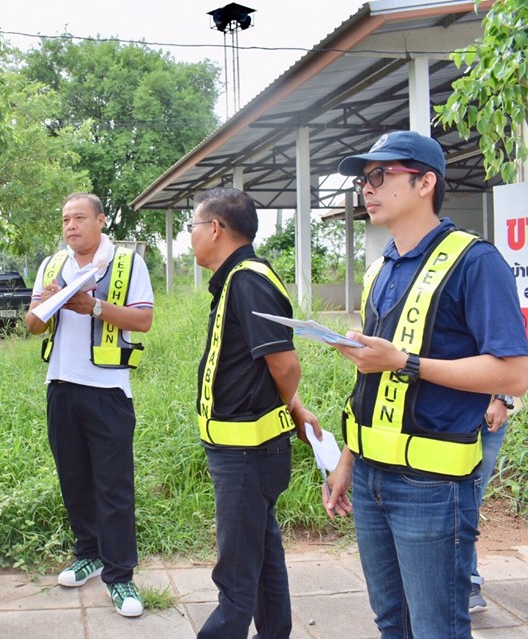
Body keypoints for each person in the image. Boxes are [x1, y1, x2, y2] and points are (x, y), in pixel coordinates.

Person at [324, 130, 528, 639]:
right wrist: (349, 459)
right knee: (392, 623)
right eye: (363, 179)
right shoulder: (381, 269)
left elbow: (514, 373)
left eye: (380, 175)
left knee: (437, 628)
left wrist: (406, 362)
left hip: (432, 486)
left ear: (425, 183)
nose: (367, 188)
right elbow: (372, 380)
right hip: (371, 477)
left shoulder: (475, 262)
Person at [188, 188, 320, 639]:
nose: (191, 236)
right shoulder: (237, 279)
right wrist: (294, 406)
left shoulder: (248, 280)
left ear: (215, 228)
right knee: (262, 562)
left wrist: (291, 401)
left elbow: (285, 365)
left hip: (247, 453)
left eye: (192, 226)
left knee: (237, 574)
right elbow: (263, 368)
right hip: (245, 451)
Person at [25, 192, 154, 618]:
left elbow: (144, 320)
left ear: (100, 221)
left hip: (108, 390)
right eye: (65, 219)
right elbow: (31, 324)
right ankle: (89, 554)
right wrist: (47, 304)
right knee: (74, 479)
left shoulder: (127, 263)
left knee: (113, 486)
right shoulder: (52, 265)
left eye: (79, 218)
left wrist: (94, 306)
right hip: (61, 385)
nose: (70, 226)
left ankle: (120, 576)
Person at [469, 393, 512, 612]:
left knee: (471, 499)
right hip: (440, 415)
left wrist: (503, 400)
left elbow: (515, 371)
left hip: (488, 416)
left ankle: (468, 579)